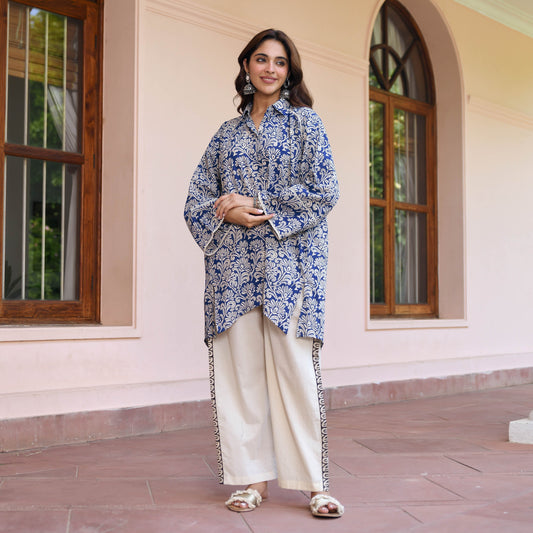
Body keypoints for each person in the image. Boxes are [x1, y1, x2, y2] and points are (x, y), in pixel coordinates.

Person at [184, 28, 343, 518]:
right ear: (246, 66)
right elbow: (196, 200)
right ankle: (252, 481)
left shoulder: (304, 123)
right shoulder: (225, 134)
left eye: (279, 61)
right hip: (232, 271)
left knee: (296, 375)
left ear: (289, 71)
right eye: (261, 59)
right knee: (242, 377)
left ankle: (315, 485)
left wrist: (255, 203)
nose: (270, 68)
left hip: (288, 269)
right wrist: (226, 210)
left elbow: (325, 189)